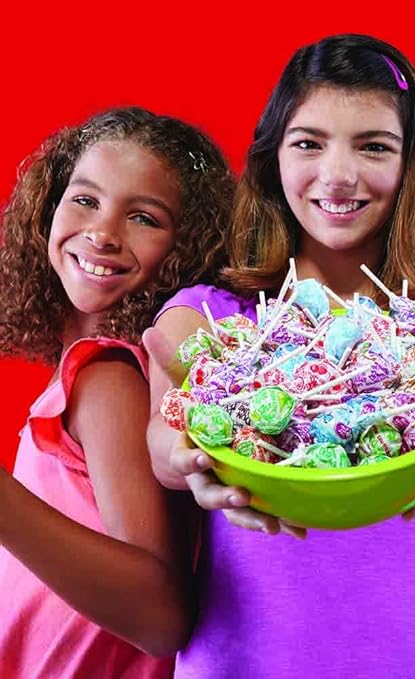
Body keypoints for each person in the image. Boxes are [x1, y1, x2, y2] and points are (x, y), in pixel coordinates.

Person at [146, 34, 415, 678]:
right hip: (248, 662)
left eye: (374, 146)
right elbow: (163, 437)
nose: (338, 174)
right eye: (308, 143)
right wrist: (188, 460)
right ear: (272, 157)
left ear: (413, 164)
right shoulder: (214, 318)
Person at [0, 107, 236, 678]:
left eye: (144, 218)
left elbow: (161, 619)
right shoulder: (90, 374)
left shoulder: (108, 377)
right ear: (47, 209)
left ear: (187, 249)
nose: (103, 233)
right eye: (85, 199)